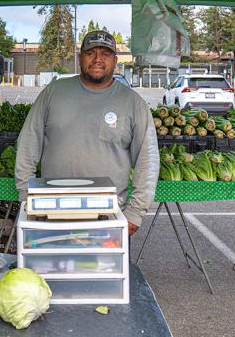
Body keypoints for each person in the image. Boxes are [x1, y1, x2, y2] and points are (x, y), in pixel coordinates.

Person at [15, 30, 159, 235]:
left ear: (115, 60)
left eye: (105, 54)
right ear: (80, 57)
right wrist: (25, 196)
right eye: (91, 52)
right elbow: (28, 143)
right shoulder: (54, 92)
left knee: (106, 267)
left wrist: (135, 213)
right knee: (53, 265)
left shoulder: (133, 103)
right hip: (53, 211)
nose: (98, 59)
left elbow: (148, 161)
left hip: (108, 214)